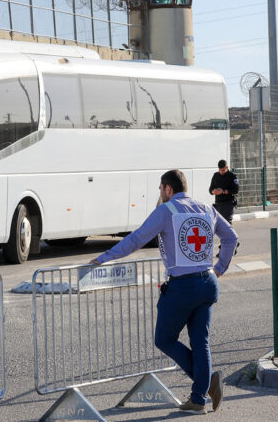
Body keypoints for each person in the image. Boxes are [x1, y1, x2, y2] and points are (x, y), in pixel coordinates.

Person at [91, 169, 238, 415]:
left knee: (164, 339)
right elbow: (231, 237)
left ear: (168, 189)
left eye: (160, 189)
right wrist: (219, 268)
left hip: (183, 286)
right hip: (208, 284)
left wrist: (104, 257)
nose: (160, 194)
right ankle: (199, 397)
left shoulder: (166, 210)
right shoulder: (206, 208)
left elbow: (136, 239)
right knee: (200, 341)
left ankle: (207, 384)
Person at [209, 160, 238, 224]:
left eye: (223, 170)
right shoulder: (216, 175)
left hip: (228, 203)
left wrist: (223, 191)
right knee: (218, 224)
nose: (221, 172)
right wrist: (214, 192)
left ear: (227, 167)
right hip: (218, 203)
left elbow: (236, 190)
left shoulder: (232, 176)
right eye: (220, 170)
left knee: (227, 223)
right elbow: (210, 190)